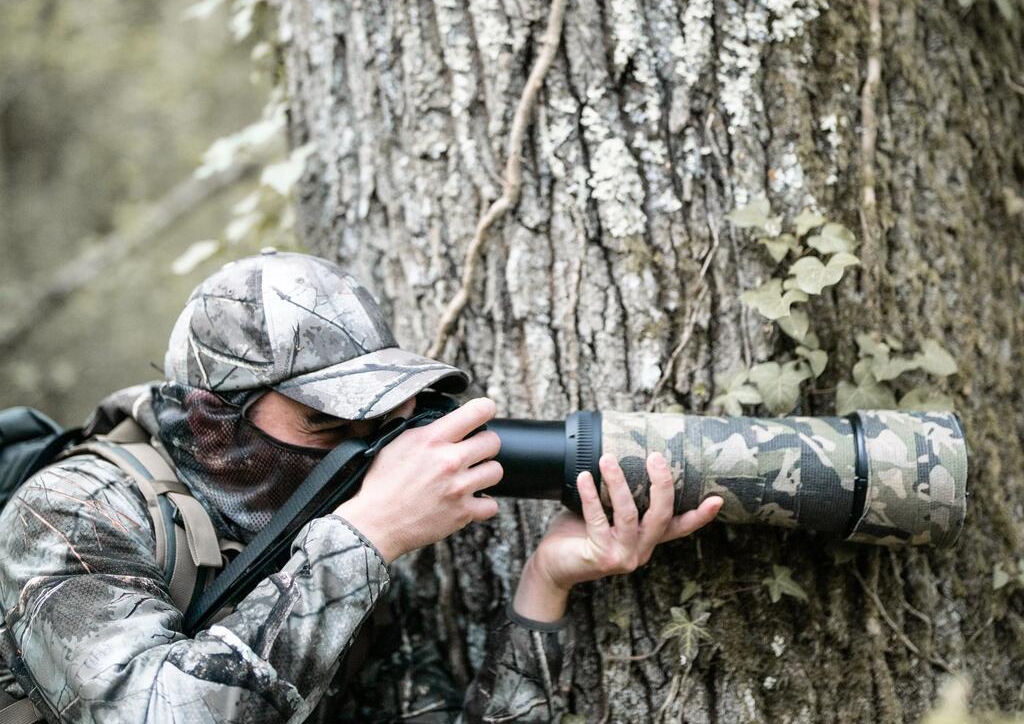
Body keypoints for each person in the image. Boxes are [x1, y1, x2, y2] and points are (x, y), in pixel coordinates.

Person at [0, 250, 721, 723]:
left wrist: (545, 585)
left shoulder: (329, 537)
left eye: (382, 419)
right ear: (213, 416)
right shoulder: (72, 513)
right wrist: (367, 537)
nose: (368, 449)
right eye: (328, 421)